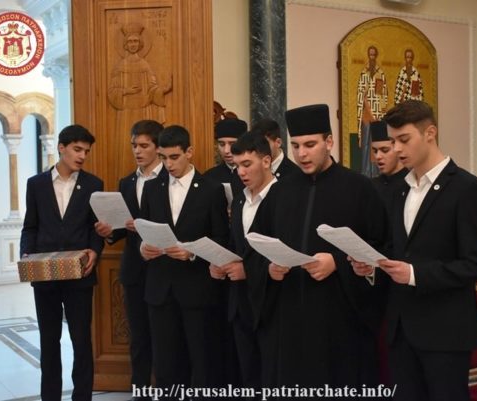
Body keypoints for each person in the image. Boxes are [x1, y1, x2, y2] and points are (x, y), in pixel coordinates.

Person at [353, 100, 477, 401]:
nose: (397, 149)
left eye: (404, 139)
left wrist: (415, 274)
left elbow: (475, 264)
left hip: (445, 332)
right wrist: (372, 264)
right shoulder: (400, 189)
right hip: (401, 328)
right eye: (393, 141)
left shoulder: (468, 189)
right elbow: (396, 249)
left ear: (430, 133)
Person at [251, 104, 388, 389]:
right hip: (289, 318)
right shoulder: (280, 191)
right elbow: (256, 245)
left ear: (329, 142)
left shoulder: (360, 188)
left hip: (339, 320)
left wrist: (337, 262)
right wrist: (269, 269)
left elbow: (381, 247)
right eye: (296, 146)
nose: (301, 154)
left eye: (310, 145)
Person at [139, 125, 229, 392]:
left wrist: (192, 253)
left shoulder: (212, 189)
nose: (168, 164)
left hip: (197, 289)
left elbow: (221, 239)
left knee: (201, 361)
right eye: (163, 157)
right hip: (160, 289)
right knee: (165, 363)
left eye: (174, 157)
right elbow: (143, 231)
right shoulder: (152, 188)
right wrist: (143, 248)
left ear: (189, 152)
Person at [20, 125, 104, 401]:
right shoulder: (36, 184)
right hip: (44, 275)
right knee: (49, 340)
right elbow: (30, 227)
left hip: (80, 275)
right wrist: (26, 255)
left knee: (81, 340)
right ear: (61, 147)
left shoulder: (94, 184)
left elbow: (95, 228)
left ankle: (82, 396)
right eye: (77, 150)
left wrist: (95, 250)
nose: (82, 156)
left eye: (86, 152)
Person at [94, 120, 164, 401]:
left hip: (164, 268)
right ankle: (140, 391)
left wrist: (145, 226)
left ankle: (168, 390)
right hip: (134, 270)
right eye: (134, 145)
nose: (137, 151)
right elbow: (122, 226)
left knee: (165, 337)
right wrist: (110, 231)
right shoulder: (127, 182)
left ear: (158, 147)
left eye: (144, 145)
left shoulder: (170, 178)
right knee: (139, 337)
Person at [209, 131, 277, 389]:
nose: (241, 172)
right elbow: (235, 245)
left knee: (272, 376)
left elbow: (288, 251)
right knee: (247, 375)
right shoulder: (239, 200)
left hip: (273, 304)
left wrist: (248, 269)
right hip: (241, 303)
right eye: (237, 166)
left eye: (247, 164)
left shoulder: (285, 196)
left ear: (266, 161)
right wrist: (218, 262)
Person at [107, 22, 172, 173]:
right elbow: (112, 92)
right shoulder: (120, 66)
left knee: (147, 141)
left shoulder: (144, 65)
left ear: (141, 43)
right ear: (125, 44)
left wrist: (163, 90)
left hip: (143, 112)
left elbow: (152, 89)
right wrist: (126, 91)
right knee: (127, 147)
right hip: (125, 114)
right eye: (130, 41)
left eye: (135, 41)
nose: (133, 44)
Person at [204, 118, 248, 199]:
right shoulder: (209, 177)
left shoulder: (254, 174)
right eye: (222, 144)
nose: (226, 150)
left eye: (232, 144)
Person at [370, 120, 408, 207]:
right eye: (375, 151)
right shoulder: (371, 186)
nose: (378, 156)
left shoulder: (411, 184)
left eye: (385, 150)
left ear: (398, 149)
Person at [356, 45, 388, 123]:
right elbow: (360, 91)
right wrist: (365, 101)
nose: (372, 57)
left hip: (376, 109)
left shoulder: (380, 73)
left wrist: (381, 109)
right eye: (370, 55)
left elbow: (382, 93)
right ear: (368, 55)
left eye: (374, 55)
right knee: (366, 129)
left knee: (376, 128)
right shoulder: (364, 72)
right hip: (365, 109)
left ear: (376, 56)